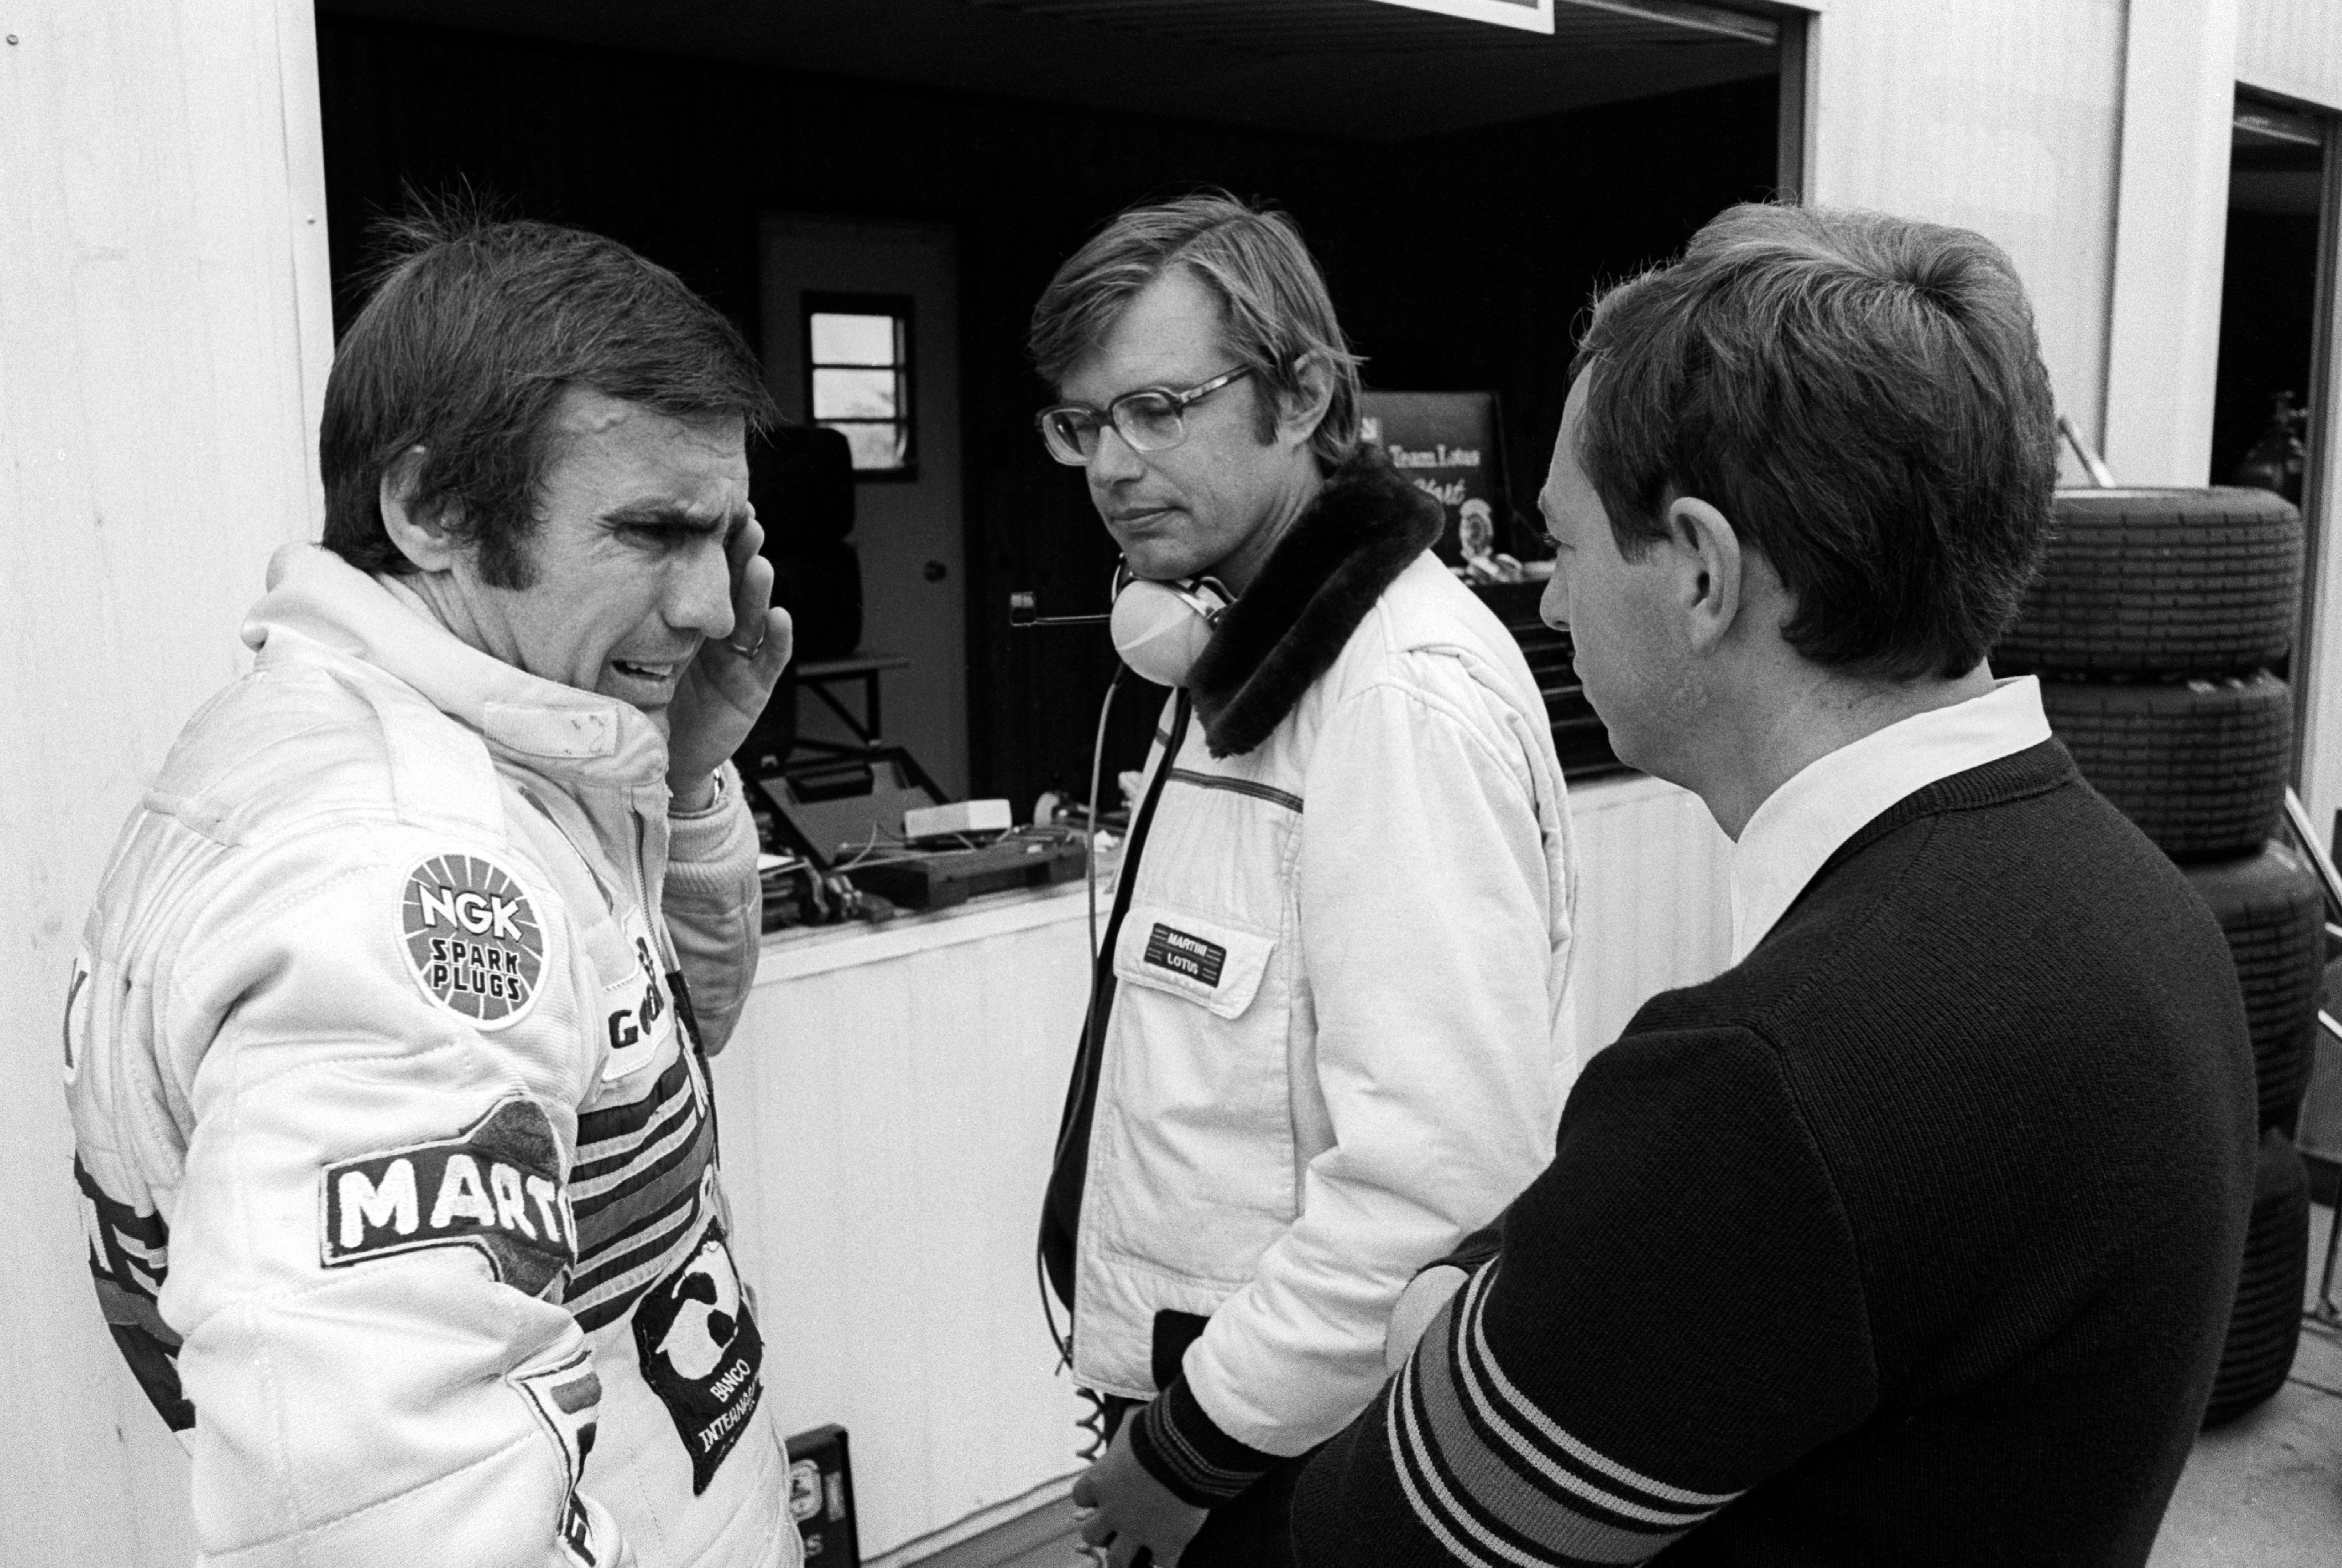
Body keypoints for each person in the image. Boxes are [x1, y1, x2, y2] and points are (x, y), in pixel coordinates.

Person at [1291, 203, 2257, 1567]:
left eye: (1560, 547)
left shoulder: (1770, 1081)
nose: (1551, 607)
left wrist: (1433, 1324)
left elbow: (1375, 1539)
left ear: (1699, 571)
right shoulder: (2142, 904)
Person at [64, 210, 802, 1567]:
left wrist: (682, 783)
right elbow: (384, 1518)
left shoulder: (493, 746)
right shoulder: (399, 860)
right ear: (431, 508)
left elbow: (644, 1074)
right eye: (654, 531)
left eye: (725, 537)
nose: (711, 604)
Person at [1030, 192, 1579, 1568]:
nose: (1110, 463)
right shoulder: (1234, 642)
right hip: (1215, 1405)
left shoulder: (1392, 697)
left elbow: (1437, 1175)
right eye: (1083, 421)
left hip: (1288, 1462)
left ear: (1303, 395)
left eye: (1157, 408)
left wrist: (1190, 1445)